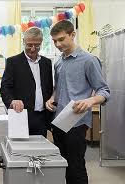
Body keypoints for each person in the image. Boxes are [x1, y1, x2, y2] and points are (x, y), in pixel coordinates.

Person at [46, 20, 110, 184]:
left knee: (76, 166)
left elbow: (104, 91)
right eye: (54, 41)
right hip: (58, 121)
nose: (58, 44)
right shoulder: (59, 62)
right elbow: (58, 89)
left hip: (77, 123)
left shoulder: (89, 60)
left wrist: (90, 100)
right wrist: (52, 98)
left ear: (72, 35)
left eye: (61, 39)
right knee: (61, 164)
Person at [0, 26, 54, 137]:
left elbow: (48, 88)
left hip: (41, 117)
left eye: (37, 45)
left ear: (41, 42)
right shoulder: (13, 62)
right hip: (20, 115)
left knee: (40, 150)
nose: (33, 48)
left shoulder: (46, 63)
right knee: (19, 150)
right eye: (29, 45)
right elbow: (5, 87)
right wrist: (12, 101)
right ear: (23, 42)